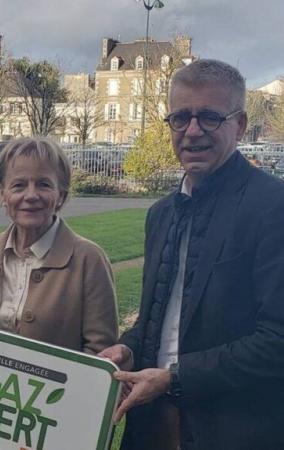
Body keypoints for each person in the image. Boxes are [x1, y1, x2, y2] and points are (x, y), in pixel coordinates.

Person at [99, 59, 284, 450]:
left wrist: (175, 378)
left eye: (210, 118)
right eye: (181, 117)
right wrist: (129, 347)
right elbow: (159, 320)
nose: (193, 131)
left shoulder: (272, 207)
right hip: (151, 426)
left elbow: (277, 340)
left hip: (234, 432)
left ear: (241, 124)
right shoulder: (160, 214)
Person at [0, 136, 118, 354]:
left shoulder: (89, 260)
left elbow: (101, 352)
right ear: (2, 193)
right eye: (19, 185)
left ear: (61, 195)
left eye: (43, 184)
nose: (31, 195)